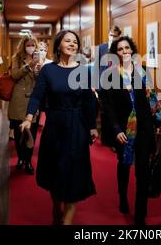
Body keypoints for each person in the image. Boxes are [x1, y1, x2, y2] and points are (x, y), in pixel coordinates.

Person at [20, 30, 98, 225]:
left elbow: (89, 101)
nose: (72, 44)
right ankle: (56, 208)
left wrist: (92, 127)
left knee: (74, 173)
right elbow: (37, 95)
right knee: (56, 172)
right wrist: (29, 118)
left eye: (75, 42)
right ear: (58, 45)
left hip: (77, 127)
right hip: (54, 127)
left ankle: (67, 221)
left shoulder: (83, 71)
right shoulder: (48, 70)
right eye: (67, 41)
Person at [101, 36, 161, 226]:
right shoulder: (109, 76)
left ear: (132, 50)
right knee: (124, 165)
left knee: (143, 171)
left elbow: (152, 98)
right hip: (124, 130)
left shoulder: (142, 72)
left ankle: (140, 214)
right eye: (120, 49)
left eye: (127, 48)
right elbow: (108, 107)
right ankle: (122, 198)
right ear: (115, 54)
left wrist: (159, 121)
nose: (125, 51)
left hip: (144, 128)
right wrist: (116, 129)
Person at [8, 34, 40, 174]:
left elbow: (42, 79)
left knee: (31, 132)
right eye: (28, 45)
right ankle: (20, 158)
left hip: (33, 99)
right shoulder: (17, 58)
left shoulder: (40, 58)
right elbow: (14, 75)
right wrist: (28, 66)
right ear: (24, 46)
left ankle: (28, 161)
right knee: (18, 131)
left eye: (33, 45)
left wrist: (38, 69)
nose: (31, 48)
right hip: (19, 99)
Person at [96, 26, 122, 147]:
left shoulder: (121, 48)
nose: (113, 37)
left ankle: (113, 139)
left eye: (115, 35)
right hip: (102, 84)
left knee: (114, 111)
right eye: (111, 35)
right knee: (104, 111)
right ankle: (105, 138)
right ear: (108, 35)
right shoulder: (101, 48)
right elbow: (97, 66)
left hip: (116, 84)